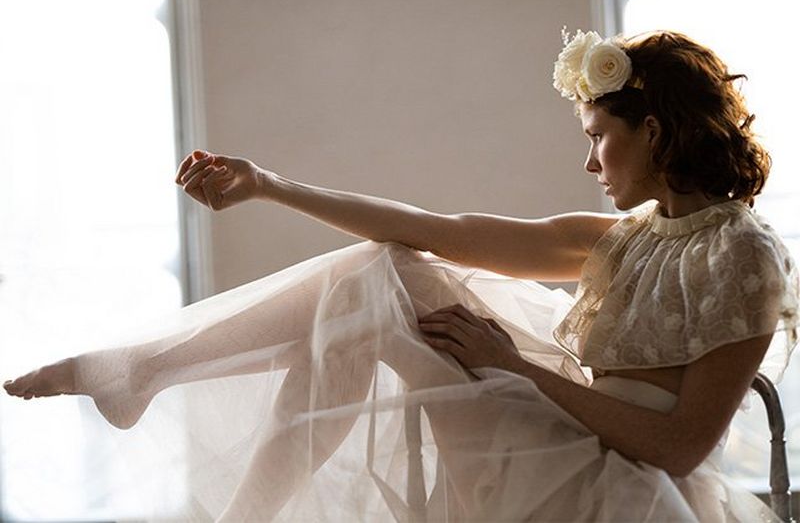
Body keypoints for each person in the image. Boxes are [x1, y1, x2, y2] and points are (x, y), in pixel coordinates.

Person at [4, 29, 798, 522]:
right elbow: (434, 230)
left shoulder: (745, 255)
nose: (587, 160)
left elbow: (682, 447)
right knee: (386, 275)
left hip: (617, 493)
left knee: (383, 293)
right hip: (559, 443)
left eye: (598, 136)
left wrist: (513, 366)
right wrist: (267, 184)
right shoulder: (626, 239)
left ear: (652, 131)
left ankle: (152, 384)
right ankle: (156, 389)